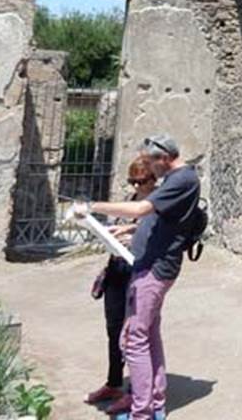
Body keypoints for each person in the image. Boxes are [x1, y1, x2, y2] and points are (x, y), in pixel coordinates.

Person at [75, 135, 200, 420]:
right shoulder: (176, 179)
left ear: (165, 158)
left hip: (155, 270)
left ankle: (141, 411)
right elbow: (161, 223)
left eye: (151, 163)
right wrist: (130, 232)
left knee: (134, 339)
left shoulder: (181, 180)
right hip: (150, 265)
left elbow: (142, 209)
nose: (149, 171)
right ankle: (154, 401)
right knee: (149, 335)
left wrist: (93, 206)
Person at [84, 156, 157, 416]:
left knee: (135, 335)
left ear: (153, 179)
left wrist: (128, 232)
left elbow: (152, 231)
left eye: (142, 181)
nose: (137, 186)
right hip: (117, 267)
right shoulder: (132, 199)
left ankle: (135, 393)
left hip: (138, 271)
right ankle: (114, 383)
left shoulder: (157, 201)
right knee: (113, 329)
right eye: (132, 181)